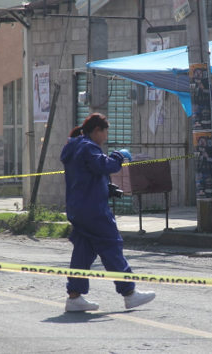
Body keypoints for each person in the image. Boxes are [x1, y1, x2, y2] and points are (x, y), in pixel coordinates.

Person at [60, 112, 155, 312]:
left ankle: (74, 296)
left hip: (79, 208)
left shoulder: (74, 145)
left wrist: (106, 187)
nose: (106, 137)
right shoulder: (88, 147)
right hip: (94, 210)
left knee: (83, 250)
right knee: (112, 245)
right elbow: (105, 165)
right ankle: (129, 293)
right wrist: (119, 155)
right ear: (97, 130)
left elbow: (87, 175)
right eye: (105, 132)